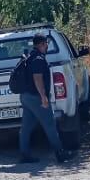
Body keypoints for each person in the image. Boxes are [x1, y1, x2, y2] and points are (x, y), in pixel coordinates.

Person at [18, 34, 73, 164]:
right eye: (46, 43)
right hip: (36, 97)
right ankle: (60, 153)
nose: (47, 46)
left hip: (25, 96)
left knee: (26, 127)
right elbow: (37, 79)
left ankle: (24, 154)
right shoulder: (38, 59)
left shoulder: (29, 57)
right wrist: (43, 96)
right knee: (50, 125)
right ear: (42, 44)